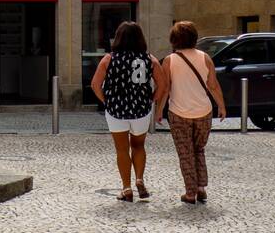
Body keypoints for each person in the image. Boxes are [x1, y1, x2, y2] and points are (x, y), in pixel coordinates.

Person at [91, 21, 166, 202]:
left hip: (117, 109)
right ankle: (139, 179)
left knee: (122, 149)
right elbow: (163, 84)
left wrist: (106, 101)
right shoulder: (150, 59)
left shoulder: (109, 59)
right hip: (140, 109)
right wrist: (152, 99)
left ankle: (126, 188)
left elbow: (95, 84)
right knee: (139, 146)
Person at [157, 20, 226, 205]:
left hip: (179, 113)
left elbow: (165, 89)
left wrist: (159, 111)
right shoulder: (205, 57)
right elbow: (213, 85)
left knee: (185, 153)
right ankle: (201, 188)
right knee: (199, 149)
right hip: (204, 112)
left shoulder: (170, 60)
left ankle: (190, 193)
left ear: (174, 39)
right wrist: (221, 105)